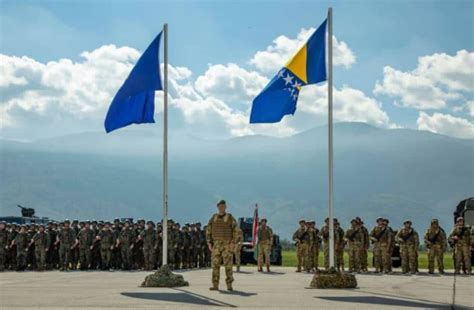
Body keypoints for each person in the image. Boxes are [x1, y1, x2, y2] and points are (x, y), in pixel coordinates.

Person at [206, 200, 238, 291]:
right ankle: (215, 284)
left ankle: (229, 284)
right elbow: (208, 230)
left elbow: (237, 230)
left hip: (227, 244)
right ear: (217, 207)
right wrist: (209, 242)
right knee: (215, 265)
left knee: (228, 265)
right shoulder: (214, 218)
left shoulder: (230, 217)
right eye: (220, 206)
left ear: (225, 207)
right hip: (216, 245)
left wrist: (233, 242)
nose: (222, 207)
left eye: (223, 206)